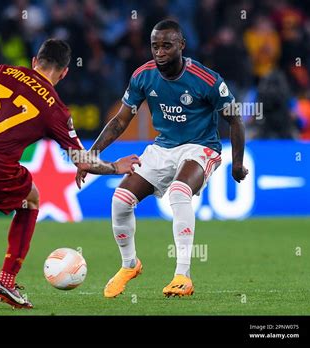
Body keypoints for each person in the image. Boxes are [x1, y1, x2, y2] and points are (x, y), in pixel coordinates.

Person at [0, 39, 140, 309]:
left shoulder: (3, 71)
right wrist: (116, 167)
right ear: (64, 72)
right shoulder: (55, 108)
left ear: (34, 61)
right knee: (31, 198)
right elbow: (81, 160)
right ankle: (6, 281)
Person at [76, 20, 248, 298]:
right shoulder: (143, 76)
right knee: (120, 200)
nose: (159, 52)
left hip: (200, 146)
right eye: (155, 46)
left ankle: (183, 275)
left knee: (179, 192)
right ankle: (129, 265)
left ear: (182, 45)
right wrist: (90, 155)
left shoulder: (207, 80)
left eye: (166, 45)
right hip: (163, 147)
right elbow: (120, 122)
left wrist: (237, 164)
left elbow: (235, 119)